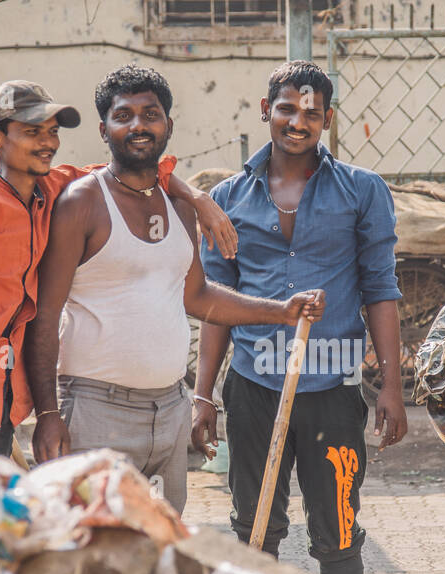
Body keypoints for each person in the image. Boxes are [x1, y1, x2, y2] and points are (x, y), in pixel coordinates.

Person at [0, 79, 238, 473]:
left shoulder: (54, 187)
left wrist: (198, 198)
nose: (47, 143)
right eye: (31, 132)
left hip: (4, 397)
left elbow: (138, 169)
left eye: (52, 131)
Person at [25, 66, 324, 513]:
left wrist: (281, 311)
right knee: (94, 544)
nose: (138, 125)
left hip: (169, 411)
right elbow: (45, 317)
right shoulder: (82, 202)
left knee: (162, 542)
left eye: (150, 114)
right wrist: (48, 414)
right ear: (104, 130)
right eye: (123, 116)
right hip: (93, 410)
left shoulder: (180, 206)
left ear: (168, 125)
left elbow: (197, 297)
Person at [192, 61, 407, 574]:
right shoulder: (227, 199)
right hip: (254, 386)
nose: (297, 122)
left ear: (327, 119)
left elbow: (380, 290)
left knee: (338, 532)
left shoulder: (362, 191)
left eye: (311, 113)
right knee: (255, 529)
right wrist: (203, 395)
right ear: (267, 110)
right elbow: (216, 303)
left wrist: (393, 387)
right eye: (286, 109)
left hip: (334, 386)